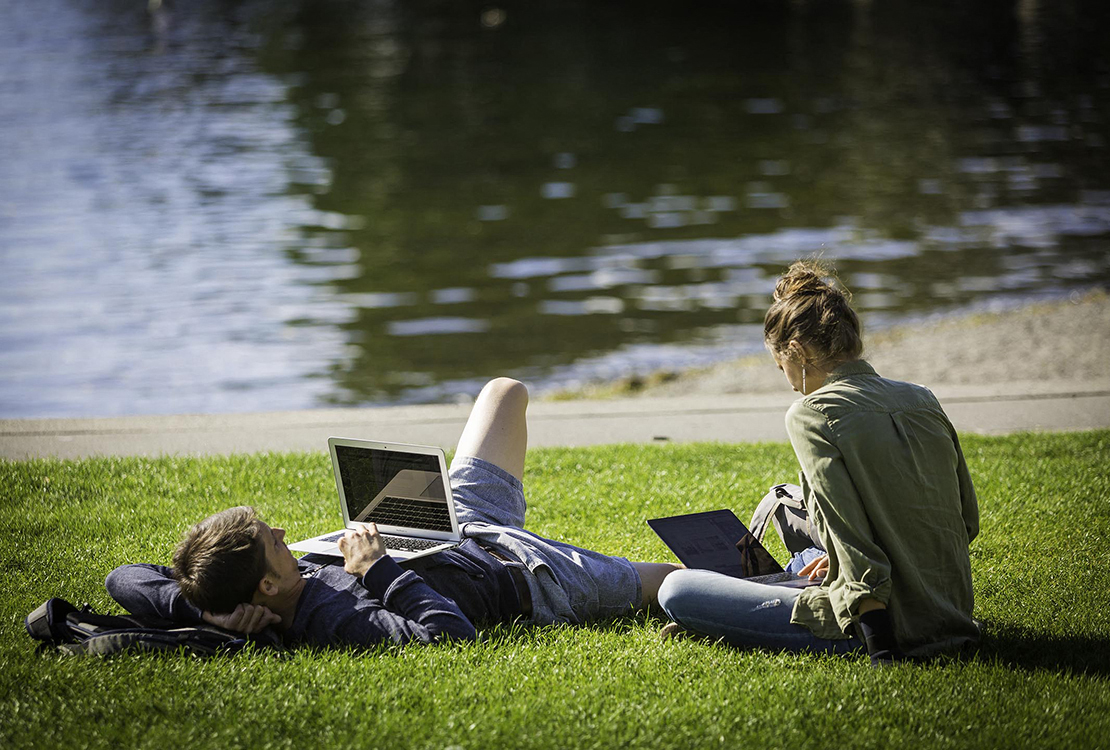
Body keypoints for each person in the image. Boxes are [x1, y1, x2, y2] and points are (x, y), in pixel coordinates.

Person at [106, 377, 680, 649]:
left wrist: (209, 616)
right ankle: (762, 581)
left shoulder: (246, 589)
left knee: (504, 392)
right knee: (676, 585)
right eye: (274, 542)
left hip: (462, 521)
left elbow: (125, 580)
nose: (284, 532)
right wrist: (378, 568)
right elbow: (448, 635)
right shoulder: (331, 620)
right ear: (268, 583)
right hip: (525, 572)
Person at [656, 260, 980, 664]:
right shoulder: (921, 398)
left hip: (876, 626)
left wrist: (881, 647)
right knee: (787, 514)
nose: (788, 380)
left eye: (782, 367)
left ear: (797, 352)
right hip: (950, 612)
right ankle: (781, 583)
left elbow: (854, 544)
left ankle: (736, 610)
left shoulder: (811, 413)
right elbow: (965, 520)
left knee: (677, 588)